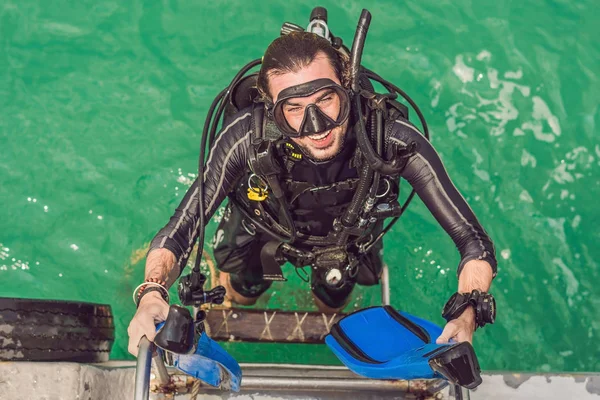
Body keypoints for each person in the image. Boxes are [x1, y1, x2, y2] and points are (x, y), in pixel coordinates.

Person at [127, 30, 497, 357]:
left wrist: (467, 314)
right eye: (294, 109)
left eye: (325, 100)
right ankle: (221, 277)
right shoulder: (245, 139)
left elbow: (473, 240)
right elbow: (181, 227)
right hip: (264, 225)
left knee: (331, 303)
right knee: (242, 292)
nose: (316, 127)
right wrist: (151, 292)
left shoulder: (389, 138)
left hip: (345, 236)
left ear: (346, 86)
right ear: (272, 110)